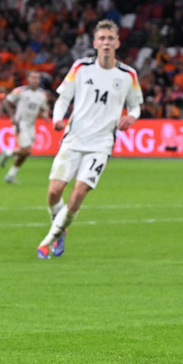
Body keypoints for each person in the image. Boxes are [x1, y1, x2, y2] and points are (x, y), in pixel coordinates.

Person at [36, 20, 143, 259]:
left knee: (78, 192)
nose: (106, 42)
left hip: (100, 145)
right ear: (95, 43)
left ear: (118, 42)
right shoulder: (81, 68)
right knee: (54, 193)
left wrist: (131, 118)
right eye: (102, 38)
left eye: (110, 38)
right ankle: (61, 228)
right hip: (73, 139)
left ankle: (47, 242)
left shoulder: (127, 75)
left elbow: (136, 107)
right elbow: (63, 99)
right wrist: (57, 118)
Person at [0, 71, 50, 184]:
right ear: (28, 79)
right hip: (20, 123)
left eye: (37, 78)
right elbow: (6, 101)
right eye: (33, 77)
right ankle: (7, 152)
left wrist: (45, 115)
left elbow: (43, 109)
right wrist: (12, 116)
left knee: (25, 153)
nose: (35, 80)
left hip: (31, 124)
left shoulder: (42, 94)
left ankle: (10, 175)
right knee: (26, 150)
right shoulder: (20, 91)